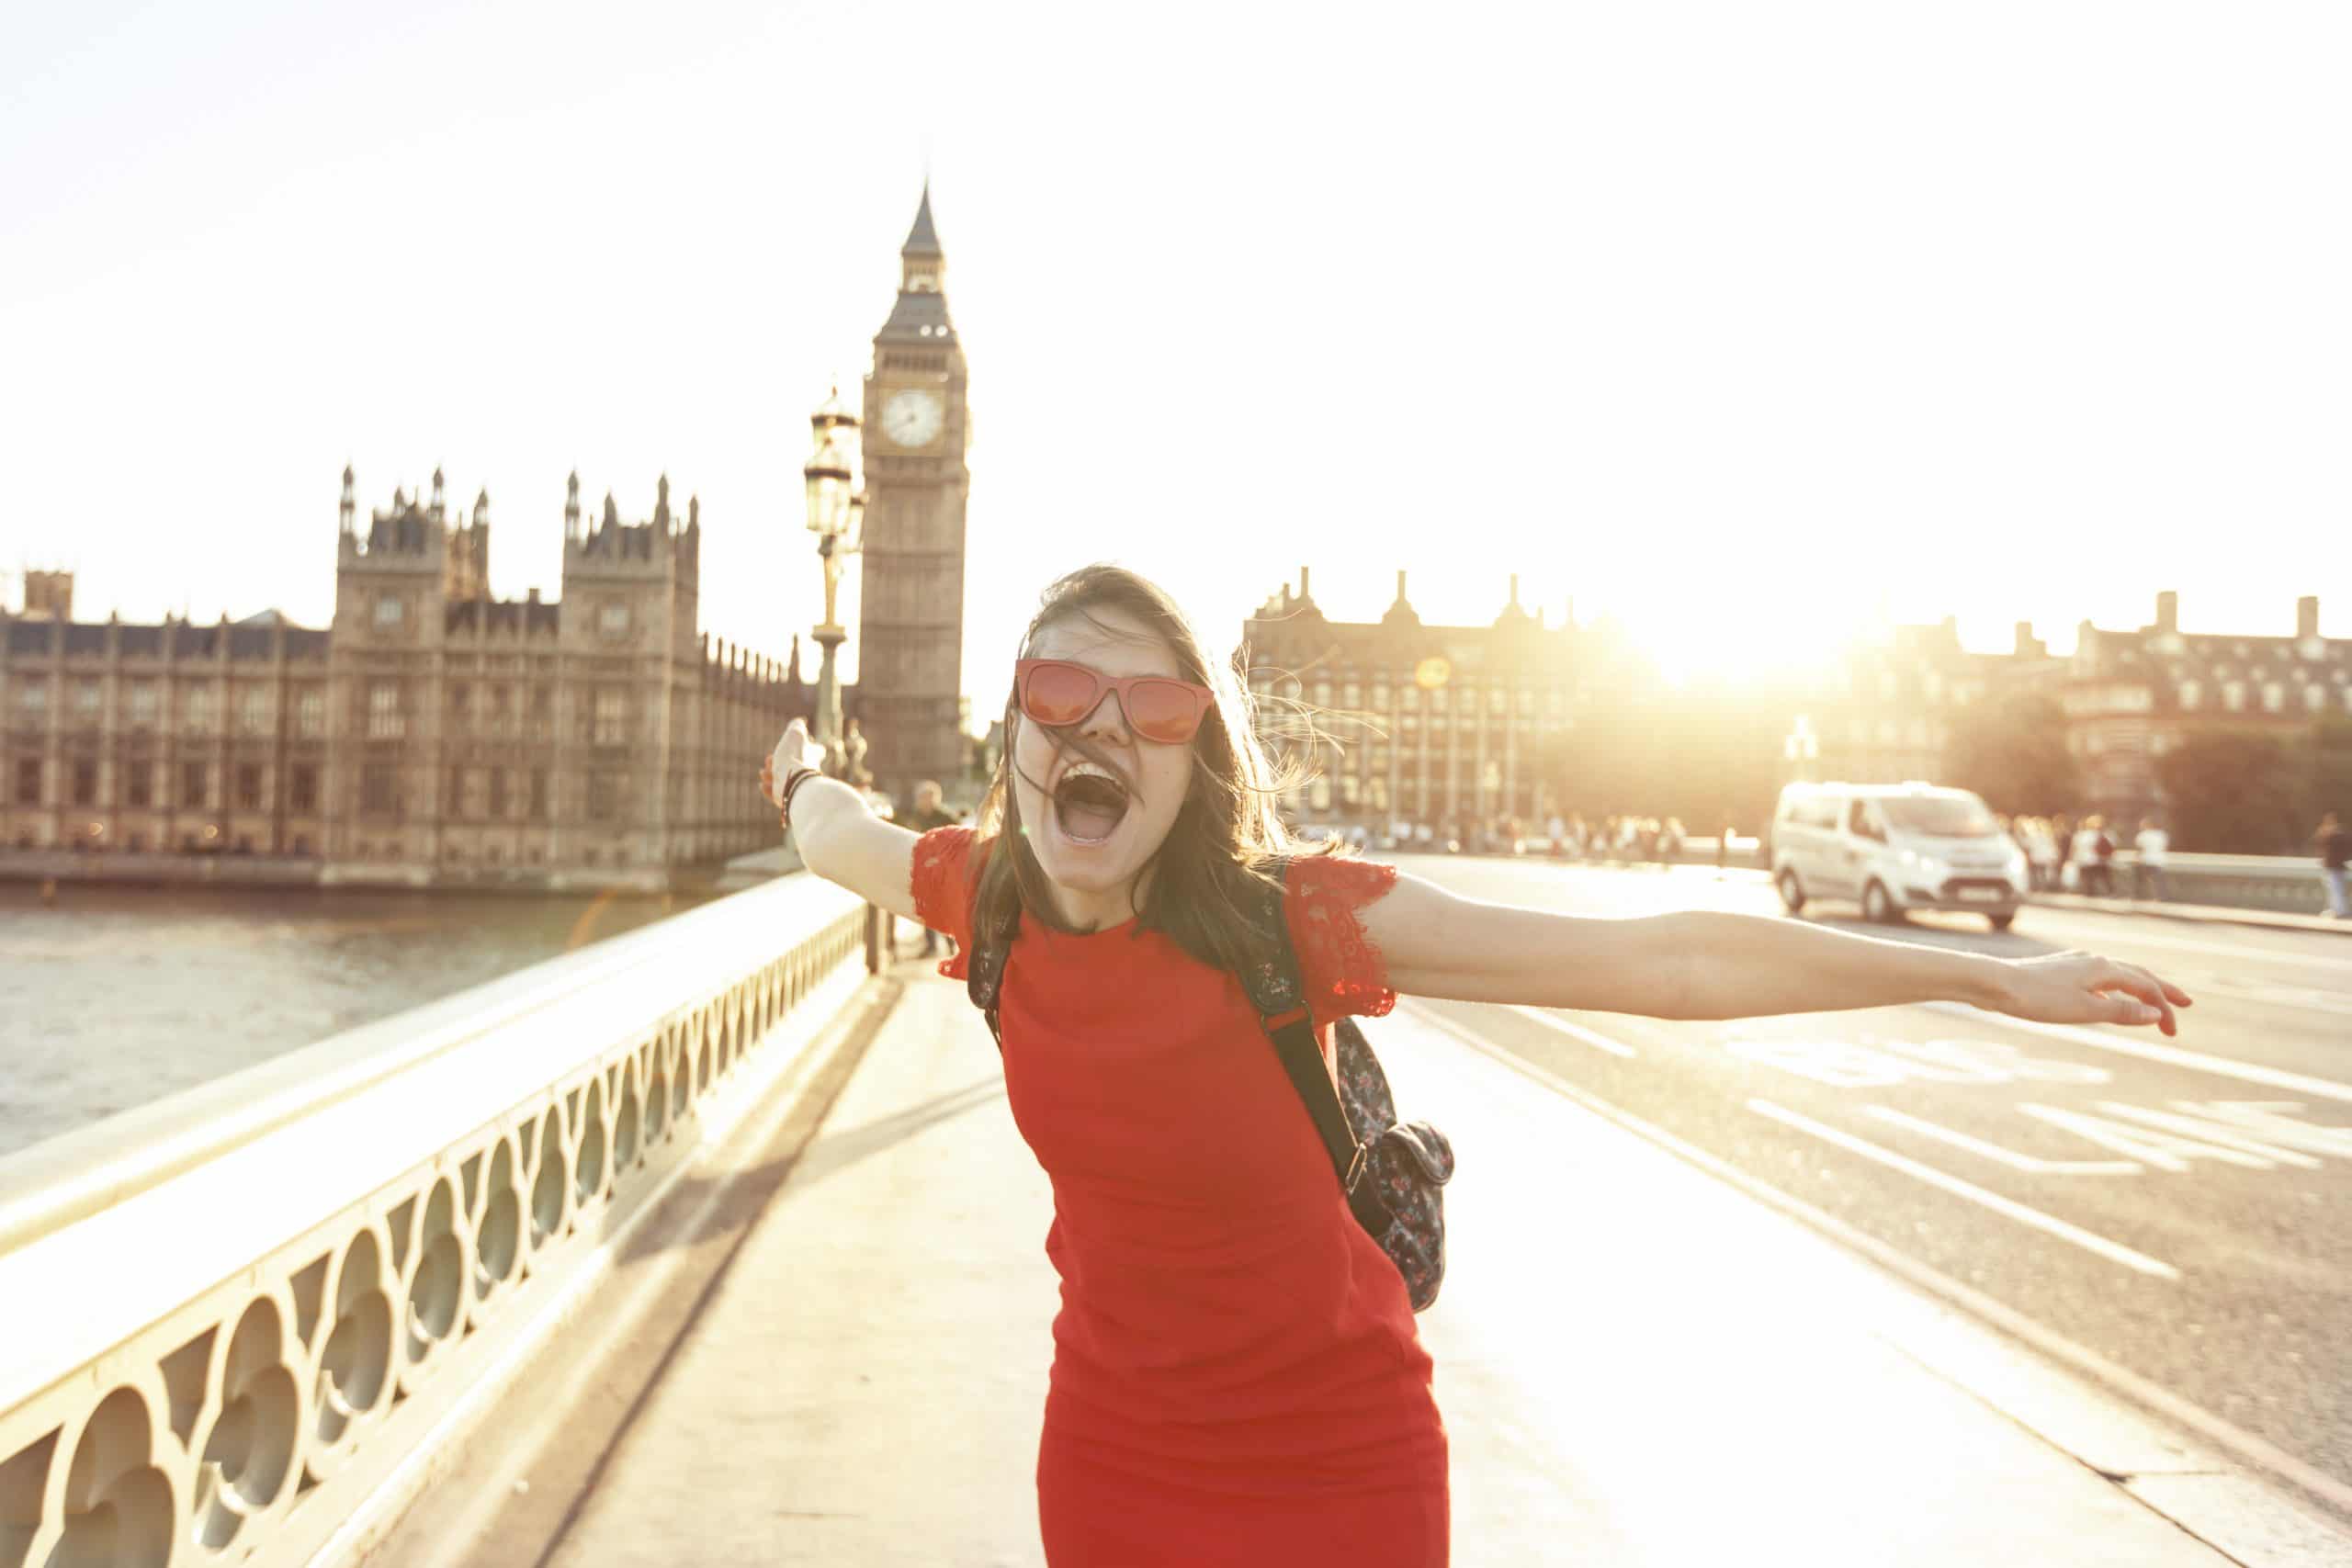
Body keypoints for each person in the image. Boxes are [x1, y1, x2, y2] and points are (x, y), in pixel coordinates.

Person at [757, 564, 2189, 1568]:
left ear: (1200, 757)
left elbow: (1666, 961)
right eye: (1059, 685)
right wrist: (796, 776)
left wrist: (1989, 972)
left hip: (1341, 1469)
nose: (1101, 725)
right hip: (1115, 1460)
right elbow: (837, 838)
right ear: (1012, 721)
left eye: (1159, 706)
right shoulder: (980, 889)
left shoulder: (1293, 922)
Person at [906, 780, 962, 956]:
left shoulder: (946, 817)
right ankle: (930, 945)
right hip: (924, 869)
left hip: (944, 869)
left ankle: (952, 943)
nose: (926, 801)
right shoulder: (915, 816)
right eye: (923, 797)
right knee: (927, 907)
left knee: (946, 908)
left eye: (929, 797)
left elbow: (958, 837)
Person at [2318, 811, 2351, 919]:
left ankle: (2340, 911)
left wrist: (2324, 833)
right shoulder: (2340, 835)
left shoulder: (2334, 836)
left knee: (2336, 890)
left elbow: (2325, 845)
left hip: (2334, 867)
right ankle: (2340, 910)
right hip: (2337, 867)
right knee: (2337, 890)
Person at [2132, 816, 2169, 902]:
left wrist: (2136, 860)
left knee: (2140, 880)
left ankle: (2138, 897)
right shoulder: (2162, 834)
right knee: (2158, 881)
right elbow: (2164, 847)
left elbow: (2140, 849)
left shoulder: (2142, 835)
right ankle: (2161, 897)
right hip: (2159, 860)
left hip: (2145, 860)